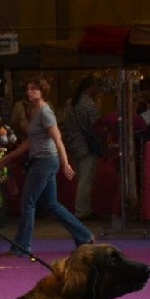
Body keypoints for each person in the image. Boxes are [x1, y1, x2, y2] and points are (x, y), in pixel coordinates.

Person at [0, 76, 94, 256]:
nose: (29, 92)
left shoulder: (45, 112)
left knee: (28, 203)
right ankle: (84, 236)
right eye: (28, 89)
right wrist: (9, 157)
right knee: (52, 204)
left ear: (43, 92)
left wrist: (65, 164)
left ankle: (22, 246)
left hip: (46, 161)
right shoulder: (36, 112)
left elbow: (57, 139)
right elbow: (30, 142)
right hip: (45, 160)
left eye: (34, 89)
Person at [61, 75, 103, 220]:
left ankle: (83, 209)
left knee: (81, 179)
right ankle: (82, 211)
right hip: (86, 144)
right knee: (86, 179)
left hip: (73, 144)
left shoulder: (70, 103)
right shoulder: (89, 104)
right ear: (91, 87)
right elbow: (95, 126)